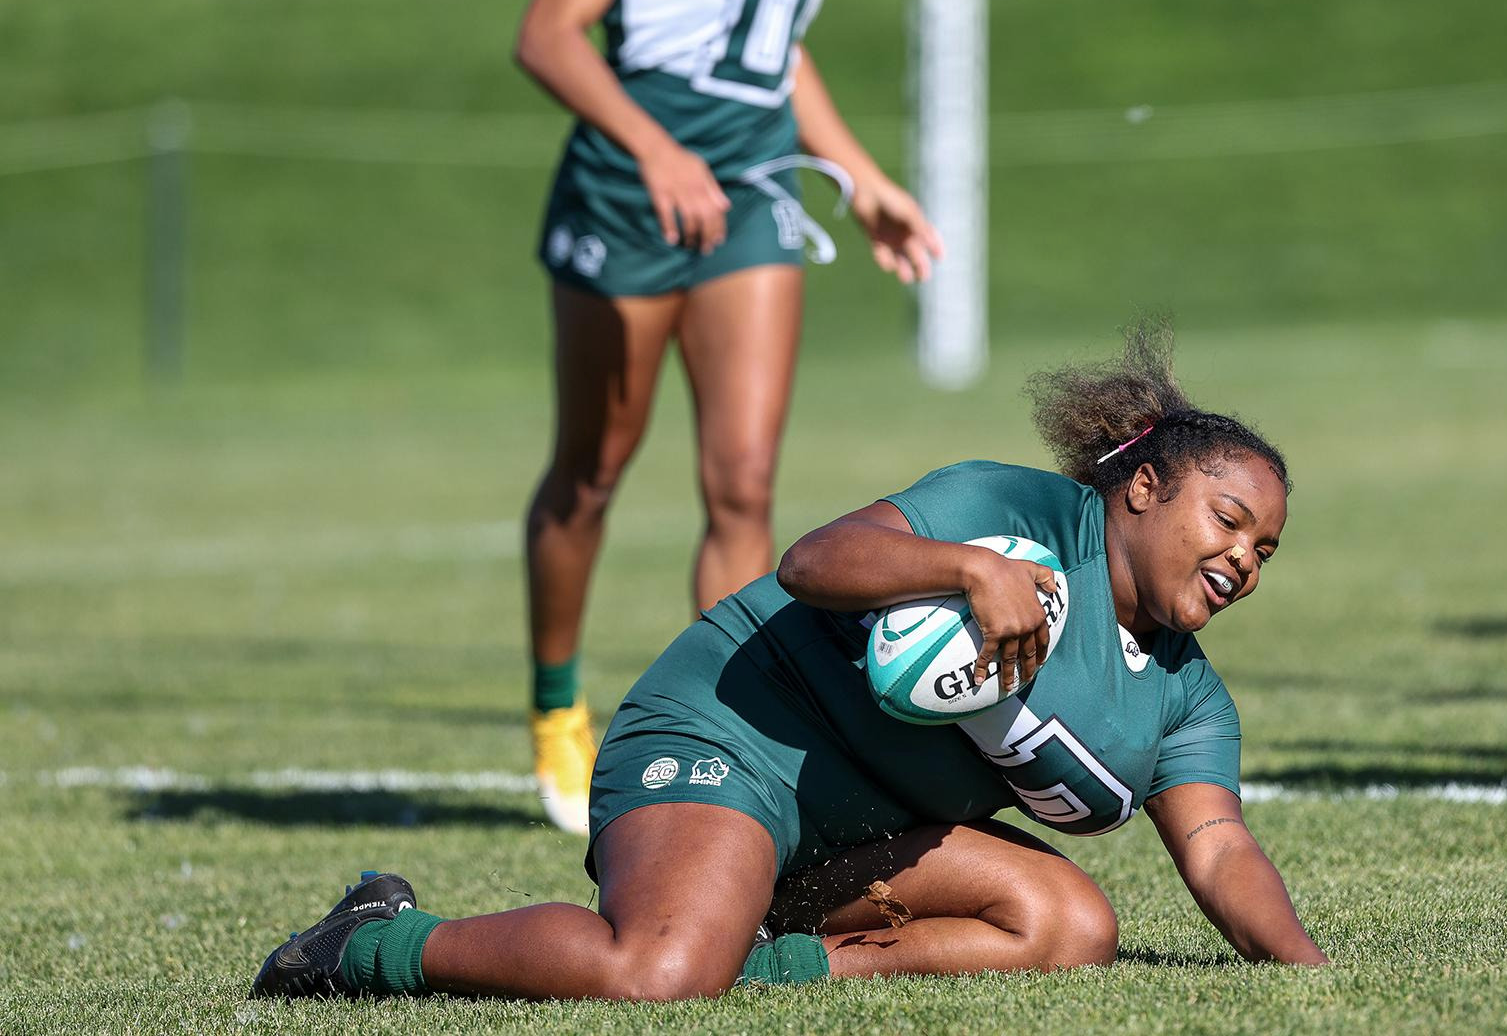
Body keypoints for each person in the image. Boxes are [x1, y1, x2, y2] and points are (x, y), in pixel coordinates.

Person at [250, 326, 1328, 1001]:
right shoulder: (1016, 512)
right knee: (657, 974)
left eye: (1264, 550)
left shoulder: (1189, 699)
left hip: (856, 833)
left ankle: (757, 951)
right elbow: (814, 561)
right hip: (731, 736)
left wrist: (1314, 982)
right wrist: (964, 571)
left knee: (1073, 925)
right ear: (1142, 488)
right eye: (1230, 521)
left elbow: (1221, 852)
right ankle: (369, 944)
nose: (1242, 557)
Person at [514, 0, 943, 835]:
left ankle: (737, 732)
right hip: (628, 199)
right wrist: (658, 151)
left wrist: (861, 182)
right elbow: (547, 38)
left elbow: (778, 49)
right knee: (592, 470)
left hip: (750, 194)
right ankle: (557, 709)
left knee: (743, 482)